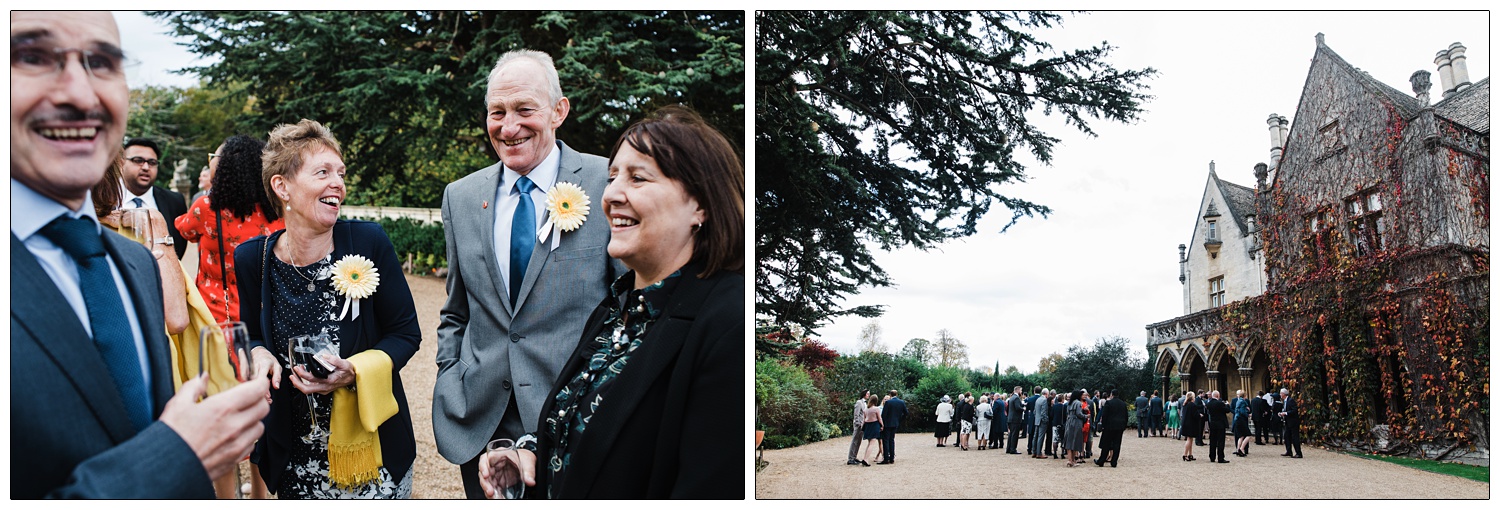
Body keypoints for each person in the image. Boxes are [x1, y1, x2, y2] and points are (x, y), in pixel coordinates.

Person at [10, 11, 269, 498]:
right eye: (32, 57)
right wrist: (180, 453)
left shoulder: (133, 264)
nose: (81, 93)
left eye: (103, 62)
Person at [476, 105, 743, 498]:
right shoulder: (616, 309)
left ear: (700, 205)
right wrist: (533, 454)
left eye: (638, 178)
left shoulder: (727, 324)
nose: (612, 193)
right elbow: (596, 431)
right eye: (614, 175)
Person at [431, 49, 624, 500]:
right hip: (481, 425)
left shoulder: (607, 182)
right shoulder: (460, 196)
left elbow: (626, 307)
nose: (508, 126)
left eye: (524, 109)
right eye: (497, 112)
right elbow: (456, 310)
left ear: (559, 111)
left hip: (576, 423)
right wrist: (449, 375)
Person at [236, 119, 421, 498]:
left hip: (373, 454)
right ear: (281, 185)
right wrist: (257, 352)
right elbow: (249, 332)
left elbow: (405, 333)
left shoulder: (369, 241)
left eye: (341, 173)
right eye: (323, 172)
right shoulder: (252, 259)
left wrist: (354, 372)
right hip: (294, 457)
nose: (338, 183)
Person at [176, 135, 285, 324]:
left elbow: (185, 230)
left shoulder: (207, 207)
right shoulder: (277, 211)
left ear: (223, 165)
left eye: (213, 157)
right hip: (264, 313)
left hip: (217, 313)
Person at [118, 136, 188, 259]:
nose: (146, 167)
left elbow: (179, 246)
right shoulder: (102, 197)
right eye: (138, 160)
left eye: (152, 162)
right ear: (121, 163)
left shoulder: (174, 201)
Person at [1095, 390, 1130, 467]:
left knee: (1106, 444)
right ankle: (1114, 462)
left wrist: (1103, 425)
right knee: (1117, 444)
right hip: (1119, 426)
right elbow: (1126, 416)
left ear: (1112, 394)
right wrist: (1124, 425)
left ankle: (1101, 460)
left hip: (1109, 426)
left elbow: (1104, 415)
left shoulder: (1109, 403)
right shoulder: (1123, 404)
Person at [881, 390, 909, 464]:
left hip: (887, 423)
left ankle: (886, 458)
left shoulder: (888, 402)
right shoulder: (901, 402)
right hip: (895, 423)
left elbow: (884, 414)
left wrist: (882, 423)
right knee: (892, 440)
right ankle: (892, 458)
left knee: (886, 440)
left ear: (890, 395)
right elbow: (906, 413)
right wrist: (899, 419)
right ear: (896, 394)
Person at [1062, 389, 1089, 467]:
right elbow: (1078, 414)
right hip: (1076, 423)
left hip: (1069, 422)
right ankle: (1072, 460)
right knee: (1075, 441)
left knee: (1069, 441)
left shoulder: (1069, 403)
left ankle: (1069, 460)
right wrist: (1086, 416)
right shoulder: (1078, 403)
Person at [855, 395, 883, 466]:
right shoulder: (876, 409)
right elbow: (879, 418)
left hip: (867, 426)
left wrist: (862, 428)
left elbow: (864, 420)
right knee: (872, 443)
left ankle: (865, 458)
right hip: (874, 425)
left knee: (869, 443)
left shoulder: (866, 409)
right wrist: (882, 425)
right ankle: (866, 459)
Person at [1203, 390, 1230, 463]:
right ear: (1218, 396)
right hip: (1220, 424)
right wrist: (1227, 404)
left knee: (1212, 441)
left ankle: (1212, 457)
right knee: (1220, 441)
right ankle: (1220, 458)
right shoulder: (1220, 403)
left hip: (1212, 424)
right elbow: (1227, 410)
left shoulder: (1209, 404)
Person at [847, 389, 871, 464]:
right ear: (864, 394)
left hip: (863, 425)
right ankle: (851, 458)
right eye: (867, 393)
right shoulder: (859, 402)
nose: (868, 395)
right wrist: (858, 423)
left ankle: (854, 456)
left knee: (858, 441)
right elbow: (856, 414)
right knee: (855, 441)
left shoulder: (865, 403)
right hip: (859, 425)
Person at [1180, 392, 1203, 461]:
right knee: (1189, 439)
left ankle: (1190, 454)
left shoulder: (1185, 404)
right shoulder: (1192, 405)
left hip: (1186, 423)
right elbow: (1195, 414)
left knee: (1190, 439)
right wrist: (1200, 415)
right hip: (1190, 424)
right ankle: (1185, 454)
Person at [1280, 388, 1303, 458]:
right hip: (1288, 422)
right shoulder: (1285, 401)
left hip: (1293, 422)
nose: (1280, 395)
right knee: (1287, 436)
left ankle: (1298, 453)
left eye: (1281, 393)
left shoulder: (1290, 400)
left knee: (1295, 437)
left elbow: (1295, 410)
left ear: (1284, 394)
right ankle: (1289, 451)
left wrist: (1286, 413)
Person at [1030, 390, 1051, 459]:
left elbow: (1035, 411)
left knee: (1035, 437)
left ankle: (1034, 452)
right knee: (1040, 437)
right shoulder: (1044, 400)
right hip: (1042, 421)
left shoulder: (1038, 400)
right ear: (1046, 394)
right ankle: (1039, 453)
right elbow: (1044, 412)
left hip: (1037, 420)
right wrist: (1046, 420)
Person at [1232, 389, 1253, 457]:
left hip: (1237, 419)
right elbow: (1242, 411)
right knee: (1248, 435)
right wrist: (1248, 414)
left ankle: (1238, 449)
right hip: (1241, 420)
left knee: (1241, 436)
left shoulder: (1239, 401)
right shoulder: (1243, 401)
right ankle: (1241, 449)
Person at [1005, 388, 1025, 454]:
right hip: (1015, 419)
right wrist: (1023, 409)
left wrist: (1023, 404)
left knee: (1011, 434)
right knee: (1015, 434)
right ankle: (1013, 449)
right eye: (1021, 390)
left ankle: (1009, 448)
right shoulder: (1016, 398)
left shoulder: (1012, 397)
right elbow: (1017, 407)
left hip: (1011, 418)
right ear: (1018, 390)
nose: (1021, 392)